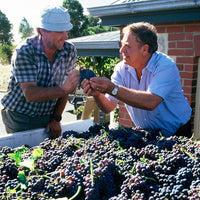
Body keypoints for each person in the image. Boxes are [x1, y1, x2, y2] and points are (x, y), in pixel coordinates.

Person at [82, 22, 192, 138]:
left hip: (177, 132)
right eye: (122, 45)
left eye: (127, 46)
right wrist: (98, 94)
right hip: (148, 133)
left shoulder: (165, 66)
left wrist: (112, 88)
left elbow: (151, 101)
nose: (122, 50)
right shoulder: (121, 69)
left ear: (145, 49)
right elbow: (108, 107)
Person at [1, 5, 80, 138]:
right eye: (60, 32)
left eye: (66, 31)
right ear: (42, 31)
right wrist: (63, 89)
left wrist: (56, 118)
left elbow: (66, 89)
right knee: (24, 154)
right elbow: (30, 94)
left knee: (48, 155)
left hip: (47, 115)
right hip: (19, 117)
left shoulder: (69, 51)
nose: (66, 37)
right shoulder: (25, 51)